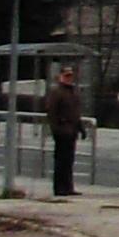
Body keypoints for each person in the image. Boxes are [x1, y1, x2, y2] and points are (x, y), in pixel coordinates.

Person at [46, 64, 86, 199]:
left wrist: (81, 127)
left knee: (69, 161)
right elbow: (51, 112)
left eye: (70, 76)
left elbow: (76, 112)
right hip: (62, 131)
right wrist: (56, 129)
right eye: (66, 76)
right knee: (61, 161)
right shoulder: (57, 92)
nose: (69, 78)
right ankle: (59, 188)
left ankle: (68, 187)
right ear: (61, 77)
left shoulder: (73, 92)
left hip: (72, 130)